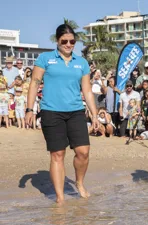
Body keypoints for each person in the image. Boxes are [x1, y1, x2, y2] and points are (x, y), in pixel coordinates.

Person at [25, 24, 100, 203]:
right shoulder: (45, 58)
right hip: (51, 111)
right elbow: (34, 83)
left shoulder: (81, 62)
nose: (68, 44)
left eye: (72, 41)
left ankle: (79, 183)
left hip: (75, 112)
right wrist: (29, 109)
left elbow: (87, 90)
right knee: (57, 154)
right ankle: (60, 198)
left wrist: (95, 114)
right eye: (64, 41)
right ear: (57, 41)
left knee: (83, 152)